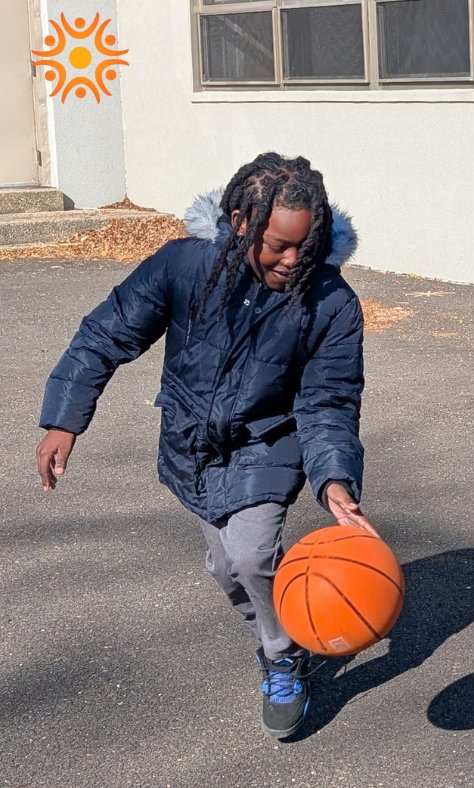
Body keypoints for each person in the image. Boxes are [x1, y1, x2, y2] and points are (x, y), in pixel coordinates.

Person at [36, 152, 377, 738]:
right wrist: (64, 419)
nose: (292, 260)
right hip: (191, 444)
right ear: (243, 224)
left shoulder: (330, 302)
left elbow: (328, 402)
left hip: (267, 443)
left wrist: (335, 480)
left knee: (250, 554)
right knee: (225, 565)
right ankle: (281, 631)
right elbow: (105, 334)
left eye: (304, 246)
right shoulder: (184, 266)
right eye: (278, 245)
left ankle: (281, 656)